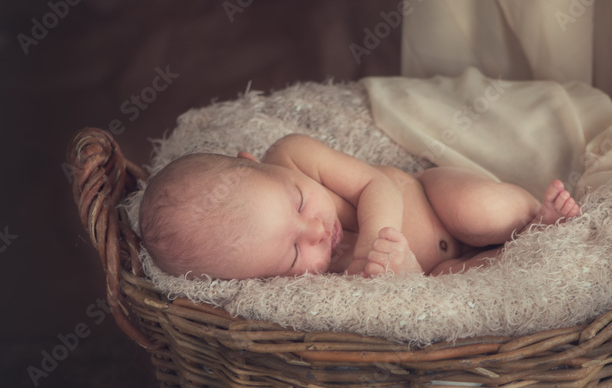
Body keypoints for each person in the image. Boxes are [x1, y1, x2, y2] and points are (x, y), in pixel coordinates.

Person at [139, 133, 581, 280]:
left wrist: (375, 240)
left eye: (298, 202)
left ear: (251, 163)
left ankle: (532, 217)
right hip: (428, 268)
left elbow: (378, 184)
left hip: (432, 199)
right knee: (456, 282)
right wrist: (402, 278)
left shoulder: (293, 155)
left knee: (478, 209)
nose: (314, 232)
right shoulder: (294, 288)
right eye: (294, 253)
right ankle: (524, 248)